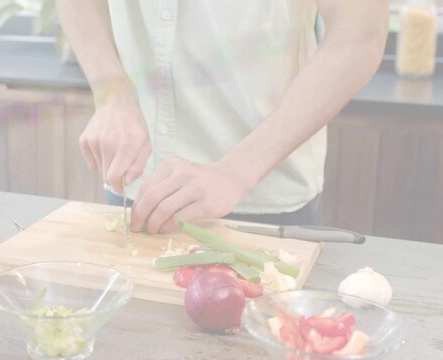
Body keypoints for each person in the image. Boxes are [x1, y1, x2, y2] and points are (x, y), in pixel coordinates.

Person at [56, 1, 388, 234]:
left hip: (264, 193)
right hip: (138, 183)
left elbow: (360, 33)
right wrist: (112, 93)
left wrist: (235, 172)